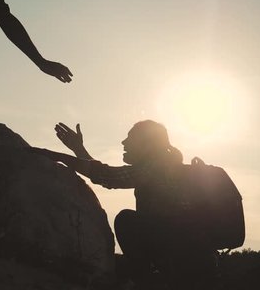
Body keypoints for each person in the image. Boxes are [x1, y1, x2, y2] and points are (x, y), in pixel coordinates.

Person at [31, 120, 219, 288]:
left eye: (131, 138)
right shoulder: (166, 166)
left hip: (185, 264)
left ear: (147, 144)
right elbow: (106, 174)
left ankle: (145, 282)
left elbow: (107, 176)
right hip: (194, 261)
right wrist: (78, 150)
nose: (124, 142)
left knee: (126, 220)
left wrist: (60, 157)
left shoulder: (157, 168)